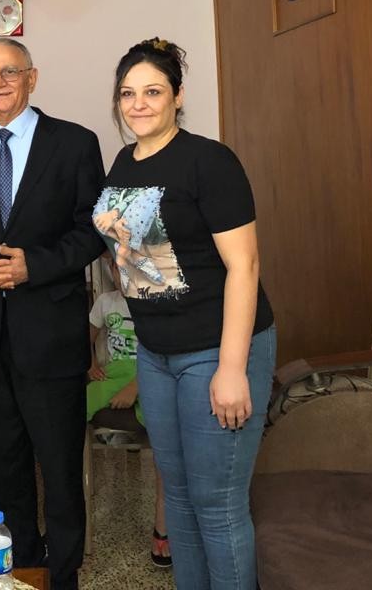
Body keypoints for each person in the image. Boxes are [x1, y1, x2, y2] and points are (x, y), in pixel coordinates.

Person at [94, 37, 275, 590]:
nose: (139, 104)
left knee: (216, 503)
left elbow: (244, 266)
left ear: (177, 96)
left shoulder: (209, 161)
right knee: (177, 495)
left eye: (153, 91)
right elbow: (133, 259)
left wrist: (231, 368)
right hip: (156, 353)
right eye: (128, 93)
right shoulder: (123, 163)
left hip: (215, 349)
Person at [0, 38, 105, 590]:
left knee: (59, 468)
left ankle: (63, 574)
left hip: (51, 337)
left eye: (10, 72)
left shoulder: (75, 143)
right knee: (4, 469)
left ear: (32, 78)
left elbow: (92, 232)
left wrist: (34, 266)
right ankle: (21, 570)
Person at [86, 255, 170, 568]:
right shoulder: (105, 302)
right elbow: (87, 335)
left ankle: (164, 517)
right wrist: (90, 364)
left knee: (161, 415)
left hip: (151, 370)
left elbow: (163, 351)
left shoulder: (154, 301)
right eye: (116, 267)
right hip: (115, 371)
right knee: (81, 400)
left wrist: (136, 386)